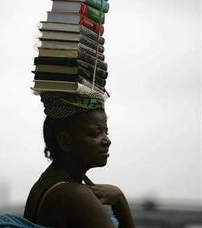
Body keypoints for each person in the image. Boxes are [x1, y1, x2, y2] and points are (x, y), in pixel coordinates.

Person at [24, 92, 135, 228]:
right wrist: (120, 201)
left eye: (106, 132)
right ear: (65, 141)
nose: (107, 141)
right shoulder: (75, 194)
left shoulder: (44, 184)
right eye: (95, 133)